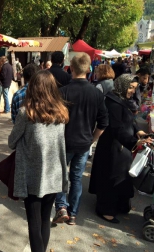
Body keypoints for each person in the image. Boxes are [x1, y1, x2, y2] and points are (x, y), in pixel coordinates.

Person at [8, 70, 69, 252]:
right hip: (54, 172)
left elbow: (11, 142)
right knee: (45, 219)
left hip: (32, 175)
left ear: (33, 87)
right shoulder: (61, 112)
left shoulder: (27, 113)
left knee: (34, 222)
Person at [53, 52, 109, 226]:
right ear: (88, 68)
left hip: (65, 141)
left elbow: (53, 118)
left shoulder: (63, 92)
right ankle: (73, 213)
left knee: (60, 175)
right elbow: (104, 122)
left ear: (71, 67)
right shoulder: (96, 93)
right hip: (84, 142)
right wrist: (92, 139)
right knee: (76, 178)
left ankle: (62, 206)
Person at [89, 74, 152, 223]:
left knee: (121, 176)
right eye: (130, 87)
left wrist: (138, 131)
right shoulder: (114, 103)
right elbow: (117, 129)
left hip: (121, 145)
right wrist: (135, 142)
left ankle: (118, 205)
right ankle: (105, 209)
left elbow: (129, 121)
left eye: (134, 88)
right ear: (122, 85)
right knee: (112, 177)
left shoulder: (120, 100)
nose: (131, 91)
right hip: (113, 146)